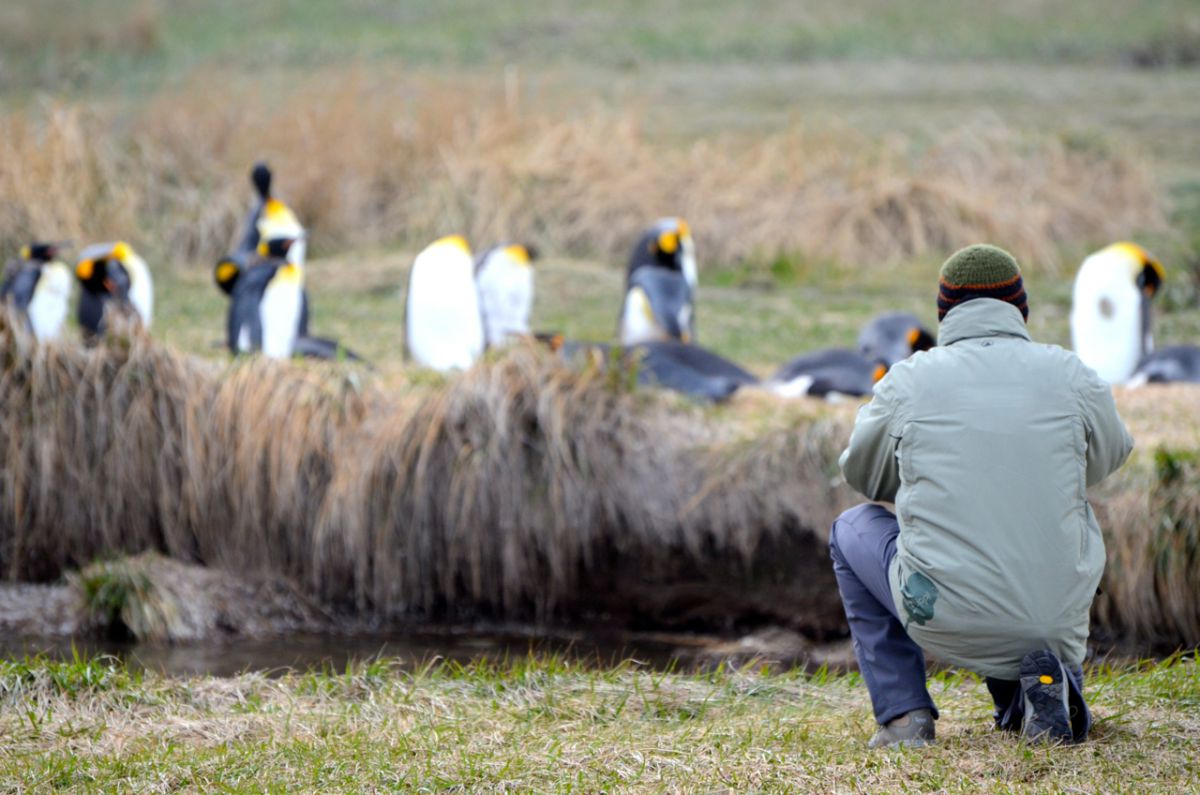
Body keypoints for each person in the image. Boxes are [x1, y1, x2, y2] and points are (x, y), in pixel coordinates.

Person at [830, 244, 1133, 748]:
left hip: (940, 612)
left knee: (851, 528)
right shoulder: (1072, 374)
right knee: (1039, 519)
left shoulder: (909, 380)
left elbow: (864, 474)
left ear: (944, 312)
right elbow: (1106, 458)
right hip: (1053, 619)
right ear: (1022, 309)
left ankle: (905, 717)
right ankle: (1047, 692)